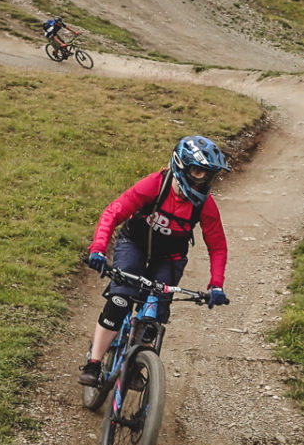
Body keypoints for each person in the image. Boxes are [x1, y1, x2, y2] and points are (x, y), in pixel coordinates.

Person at [80, 135, 231, 386]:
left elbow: (218, 246)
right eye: (197, 171)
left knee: (153, 317)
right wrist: (98, 248)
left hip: (170, 257)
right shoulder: (154, 185)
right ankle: (94, 362)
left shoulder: (205, 206)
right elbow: (114, 212)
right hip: (134, 245)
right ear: (180, 166)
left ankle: (138, 363)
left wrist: (216, 284)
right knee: (120, 300)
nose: (203, 180)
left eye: (208, 175)